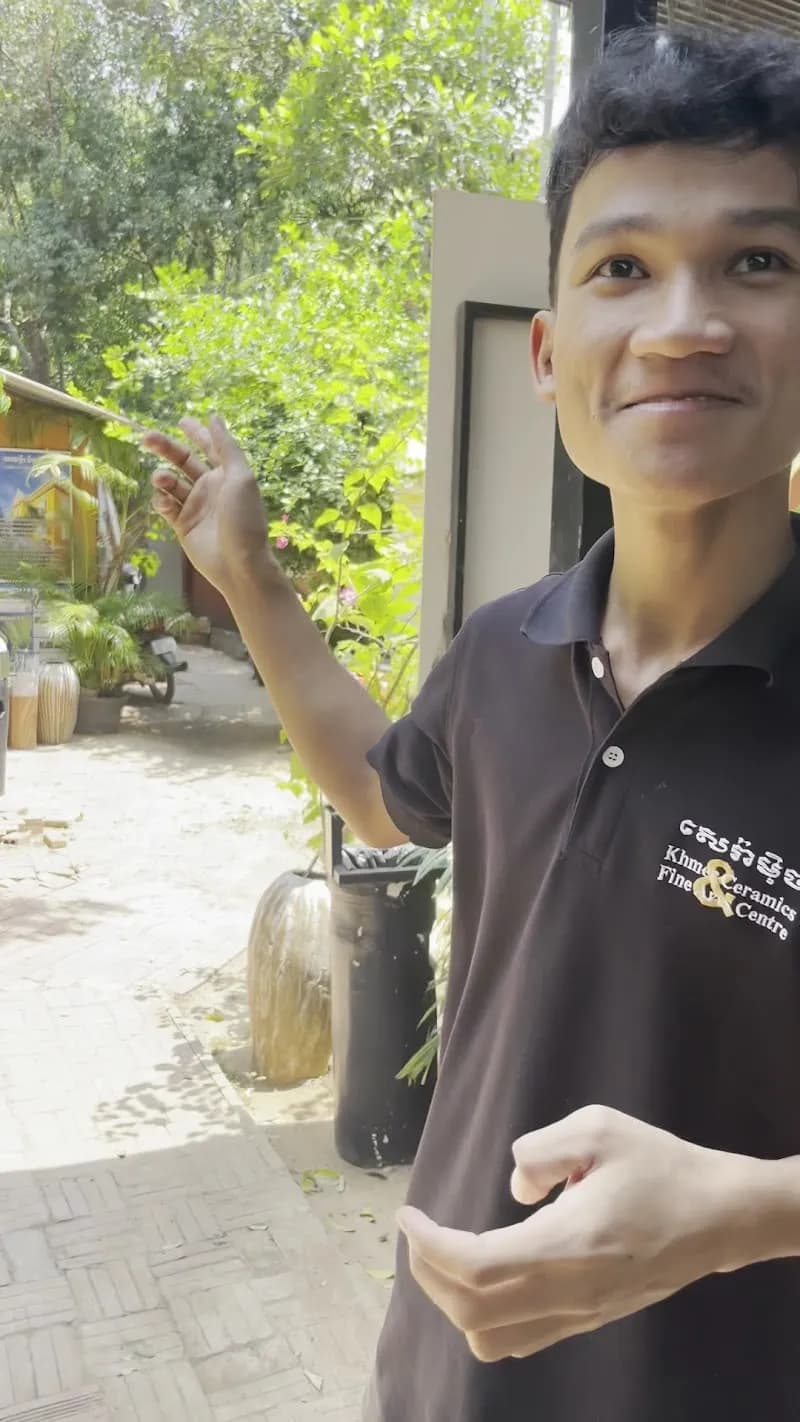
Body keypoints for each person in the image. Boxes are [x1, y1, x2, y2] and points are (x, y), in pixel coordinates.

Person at [145, 24, 800, 1421]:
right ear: (550, 354)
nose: (683, 320)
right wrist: (249, 578)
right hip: (442, 1376)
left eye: (758, 261)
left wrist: (753, 1208)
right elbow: (387, 798)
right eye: (623, 266)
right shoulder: (506, 649)